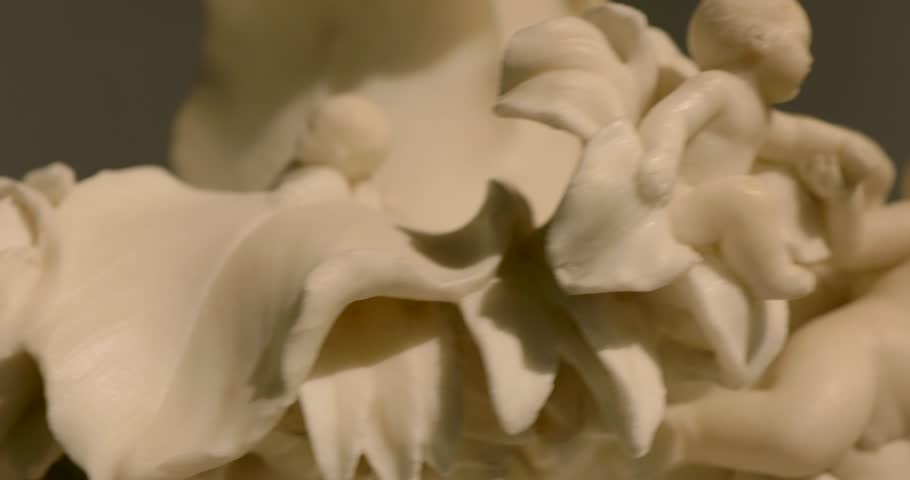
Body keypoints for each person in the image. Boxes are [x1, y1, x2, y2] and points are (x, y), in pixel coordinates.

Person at [635, 0, 886, 300]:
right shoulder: (718, 87)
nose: (810, 60)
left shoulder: (760, 116)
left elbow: (798, 137)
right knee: (746, 198)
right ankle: (771, 276)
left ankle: (760, 268)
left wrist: (845, 147)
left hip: (709, 212)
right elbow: (673, 117)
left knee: (752, 201)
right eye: (803, 44)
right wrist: (660, 156)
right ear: (760, 39)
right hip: (680, 203)